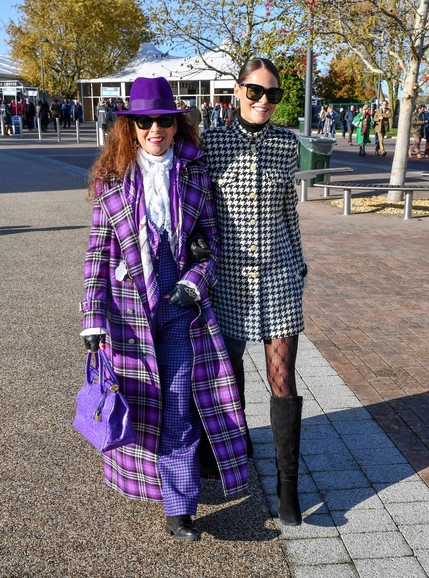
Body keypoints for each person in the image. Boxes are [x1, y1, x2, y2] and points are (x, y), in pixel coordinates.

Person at [80, 76, 248, 542]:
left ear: (176, 126)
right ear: (130, 128)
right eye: (145, 122)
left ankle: (180, 510)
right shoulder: (111, 182)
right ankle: (149, 483)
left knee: (177, 409)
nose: (155, 129)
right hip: (128, 313)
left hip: (180, 310)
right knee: (138, 406)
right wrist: (92, 319)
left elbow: (212, 244)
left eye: (164, 121)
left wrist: (194, 283)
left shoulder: (195, 174)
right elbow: (97, 254)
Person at [201, 58, 307, 526]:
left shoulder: (287, 144)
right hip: (230, 281)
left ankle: (288, 487)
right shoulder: (212, 143)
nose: (264, 101)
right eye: (255, 91)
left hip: (280, 277)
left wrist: (299, 265)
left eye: (273, 94)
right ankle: (234, 455)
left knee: (283, 380)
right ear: (237, 91)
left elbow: (289, 212)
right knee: (230, 376)